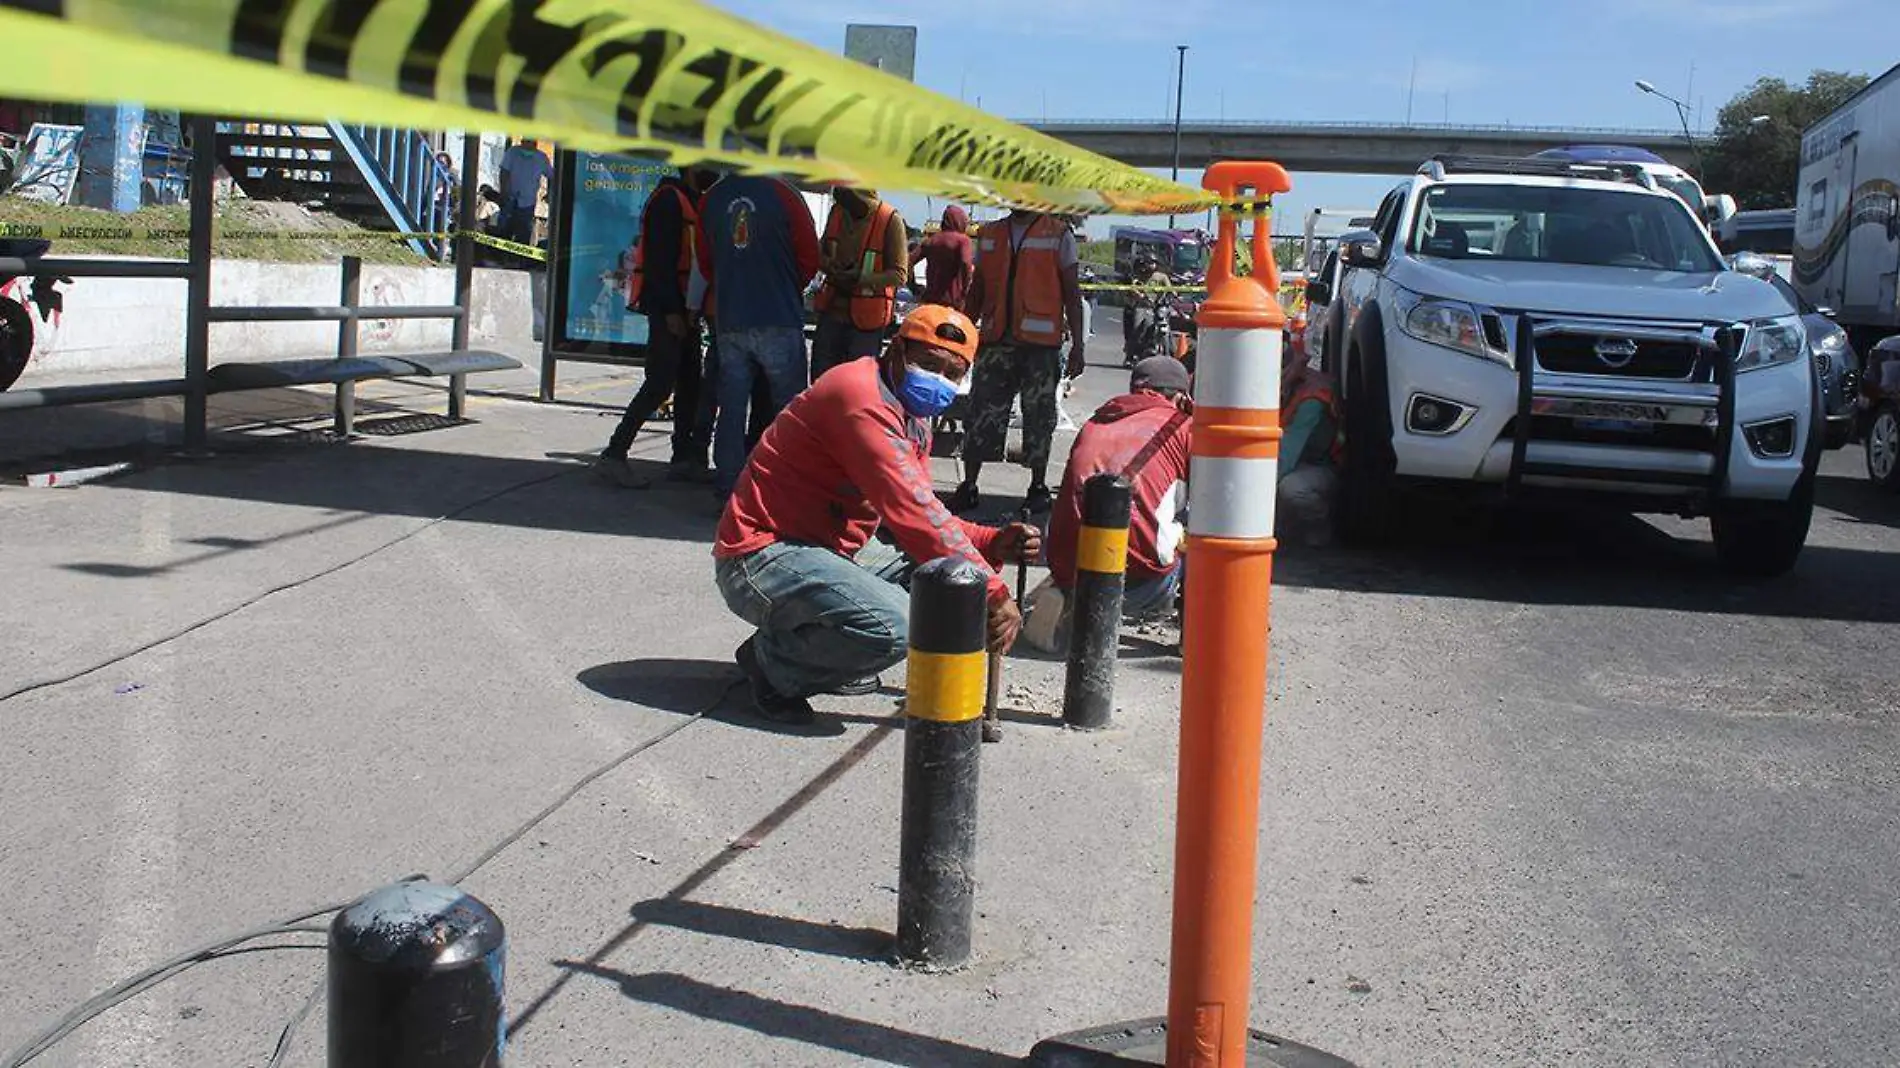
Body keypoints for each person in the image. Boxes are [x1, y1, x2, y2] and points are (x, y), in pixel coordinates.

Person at [714, 305, 1040, 724]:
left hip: (823, 550)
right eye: (928, 364)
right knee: (899, 626)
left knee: (940, 579)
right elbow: (912, 513)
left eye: (952, 373)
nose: (938, 380)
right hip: (761, 556)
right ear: (897, 350)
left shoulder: (910, 413)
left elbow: (923, 510)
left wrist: (988, 541)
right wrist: (994, 592)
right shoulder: (860, 397)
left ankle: (808, 651)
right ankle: (775, 666)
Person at [1033, 356, 1192, 650]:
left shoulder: (1096, 421)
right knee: (1204, 519)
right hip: (1139, 583)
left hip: (1070, 571)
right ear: (1180, 396)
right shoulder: (1182, 427)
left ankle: (1072, 599)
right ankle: (1195, 635)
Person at [947, 208, 1087, 516]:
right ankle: (969, 486)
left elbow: (1071, 292)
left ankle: (1037, 488)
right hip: (996, 343)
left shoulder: (1059, 234)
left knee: (1040, 418)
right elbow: (978, 289)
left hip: (1040, 348)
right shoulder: (990, 234)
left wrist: (1078, 344)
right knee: (980, 414)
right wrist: (963, 334)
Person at [695, 173, 821, 500]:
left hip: (731, 318)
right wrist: (786, 287)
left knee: (732, 410)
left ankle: (729, 489)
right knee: (789, 412)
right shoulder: (785, 195)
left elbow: (706, 262)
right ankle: (782, 491)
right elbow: (810, 257)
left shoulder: (711, 198)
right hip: (778, 315)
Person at [595, 167, 719, 488]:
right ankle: (614, 453)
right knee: (660, 382)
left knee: (691, 382)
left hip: (686, 306)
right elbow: (660, 263)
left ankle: (683, 459)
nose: (715, 171)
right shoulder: (669, 201)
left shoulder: (693, 200)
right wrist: (672, 311)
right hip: (670, 307)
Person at [811, 187, 908, 381]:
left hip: (866, 323)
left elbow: (899, 274)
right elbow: (820, 252)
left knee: (857, 383)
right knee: (821, 381)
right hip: (832, 312)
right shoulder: (838, 212)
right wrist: (830, 265)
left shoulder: (889, 219)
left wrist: (861, 278)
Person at [1279, 355, 1342, 546]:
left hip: (1327, 467)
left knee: (1291, 488)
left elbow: (1284, 461)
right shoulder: (1291, 387)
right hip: (1301, 460)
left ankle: (1320, 525)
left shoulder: (1311, 398)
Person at [496, 138, 552, 247]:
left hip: (527, 202)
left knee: (523, 234)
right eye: (525, 142)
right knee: (504, 231)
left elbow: (551, 176)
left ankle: (519, 261)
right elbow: (504, 172)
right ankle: (501, 258)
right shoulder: (512, 153)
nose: (526, 145)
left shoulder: (541, 158)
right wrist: (504, 192)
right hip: (510, 199)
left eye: (529, 142)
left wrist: (549, 193)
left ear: (535, 144)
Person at [917, 204, 975, 310]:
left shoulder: (930, 240)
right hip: (953, 303)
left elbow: (907, 262)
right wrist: (965, 291)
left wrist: (914, 288)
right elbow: (966, 264)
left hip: (930, 302)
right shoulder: (963, 241)